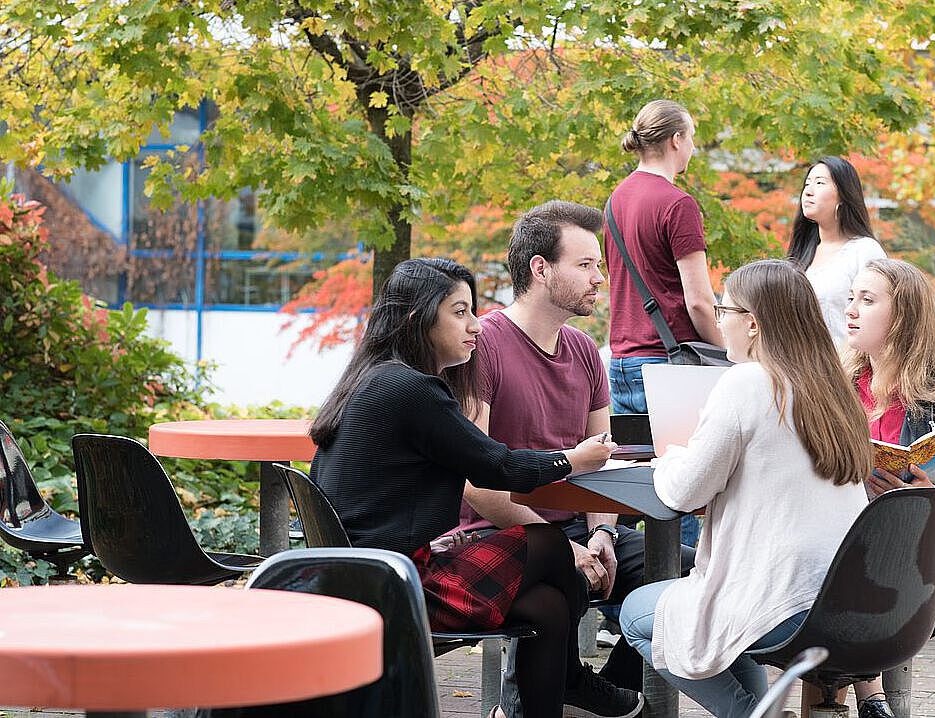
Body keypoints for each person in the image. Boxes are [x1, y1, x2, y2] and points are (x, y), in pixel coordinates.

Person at [308, 257, 641, 718]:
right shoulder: (410, 389)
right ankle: (572, 680)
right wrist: (573, 459)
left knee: (546, 607)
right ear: (417, 318)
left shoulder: (372, 377)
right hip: (393, 582)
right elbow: (496, 467)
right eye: (459, 312)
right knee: (548, 541)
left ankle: (563, 685)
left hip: (364, 571)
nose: (477, 326)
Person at [456, 200, 695, 709]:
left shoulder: (585, 350)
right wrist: (566, 549)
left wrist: (602, 532)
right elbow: (475, 485)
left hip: (578, 529)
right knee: (554, 588)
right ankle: (555, 694)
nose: (599, 279)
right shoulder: (485, 346)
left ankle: (602, 687)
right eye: (585, 265)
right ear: (540, 269)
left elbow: (601, 461)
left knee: (692, 574)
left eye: (599, 266)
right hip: (500, 533)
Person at [619, 259, 873, 718]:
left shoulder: (747, 382)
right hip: (848, 600)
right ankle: (761, 711)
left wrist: (669, 456)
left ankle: (752, 716)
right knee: (723, 615)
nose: (719, 321)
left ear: (753, 324)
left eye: (724, 310)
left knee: (637, 614)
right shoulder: (834, 387)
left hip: (785, 602)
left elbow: (682, 493)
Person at [819, 257, 935, 718]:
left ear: (904, 317)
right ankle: (870, 698)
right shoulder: (836, 385)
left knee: (829, 581)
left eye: (868, 300)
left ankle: (853, 695)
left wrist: (931, 496)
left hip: (920, 559)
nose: (851, 310)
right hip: (833, 542)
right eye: (852, 298)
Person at [605, 98, 723, 415]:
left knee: (635, 462)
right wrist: (730, 354)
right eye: (692, 137)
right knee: (678, 463)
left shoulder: (615, 201)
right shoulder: (677, 204)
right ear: (676, 140)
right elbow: (699, 301)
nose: (693, 148)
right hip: (668, 363)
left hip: (621, 361)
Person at [786, 156, 887, 343]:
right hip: (800, 368)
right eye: (807, 184)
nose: (808, 191)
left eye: (819, 183)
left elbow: (885, 316)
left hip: (846, 367)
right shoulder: (800, 255)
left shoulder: (864, 251)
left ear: (844, 193)